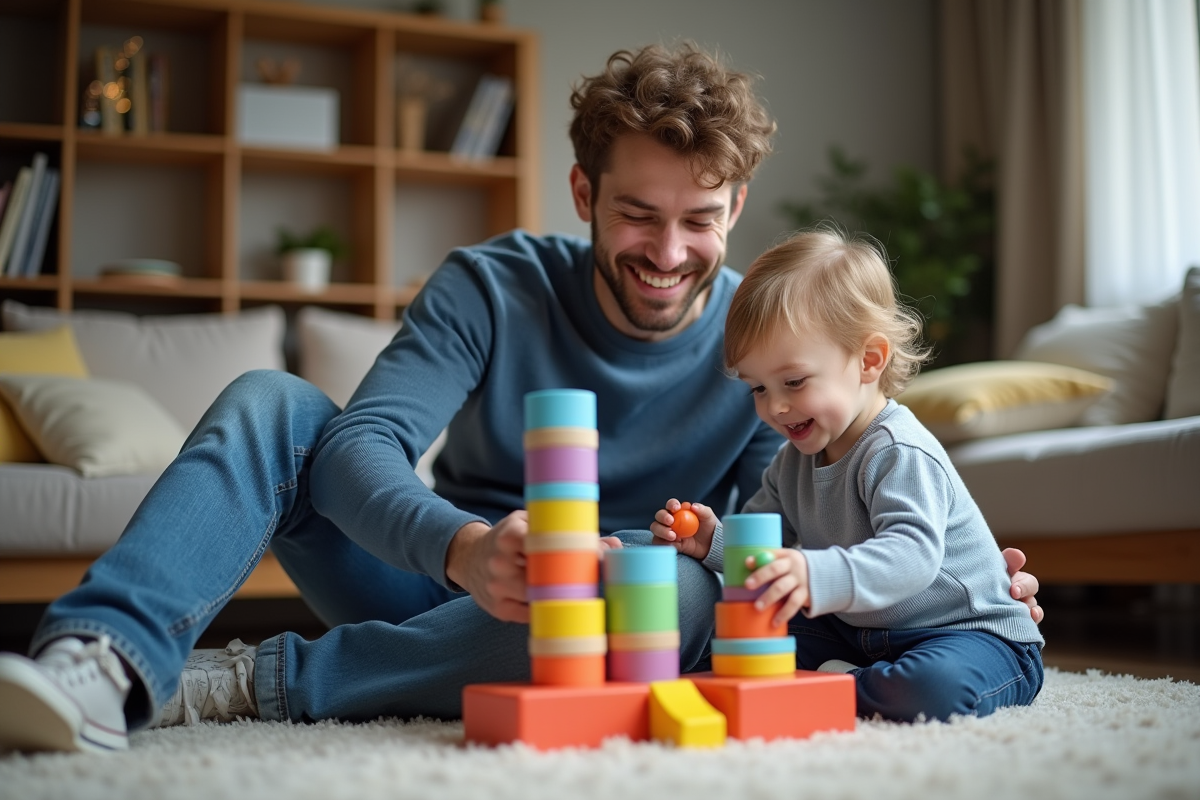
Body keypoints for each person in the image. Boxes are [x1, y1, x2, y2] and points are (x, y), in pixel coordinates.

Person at [0, 44, 1041, 755]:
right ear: (584, 193)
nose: (670, 254)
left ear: (737, 207)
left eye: (702, 220)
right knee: (275, 399)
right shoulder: (492, 284)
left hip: (597, 617)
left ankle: (259, 679)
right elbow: (360, 447)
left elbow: (763, 535)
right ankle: (99, 659)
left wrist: (941, 584)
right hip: (428, 579)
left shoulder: (763, 348)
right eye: (638, 214)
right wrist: (460, 547)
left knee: (674, 600)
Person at [651, 228, 1044, 722]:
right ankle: (839, 678)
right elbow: (761, 555)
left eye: (793, 381)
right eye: (757, 388)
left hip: (965, 633)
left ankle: (831, 686)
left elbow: (911, 557)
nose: (774, 406)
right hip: (855, 634)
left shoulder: (899, 451)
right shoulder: (791, 462)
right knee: (737, 641)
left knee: (927, 691)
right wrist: (713, 541)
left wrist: (812, 573)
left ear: (869, 360)